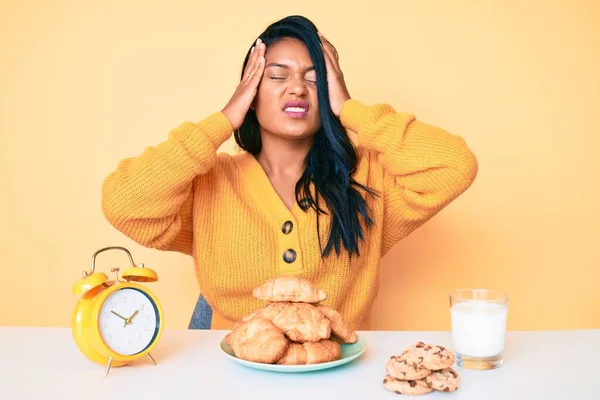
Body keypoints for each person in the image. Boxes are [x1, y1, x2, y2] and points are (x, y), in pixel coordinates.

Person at [101, 15, 478, 331]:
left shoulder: (367, 178)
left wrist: (350, 108)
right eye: (277, 76)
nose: (297, 88)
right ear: (250, 93)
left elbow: (454, 165)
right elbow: (124, 203)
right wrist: (223, 120)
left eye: (315, 78)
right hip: (223, 373)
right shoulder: (208, 184)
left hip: (338, 376)